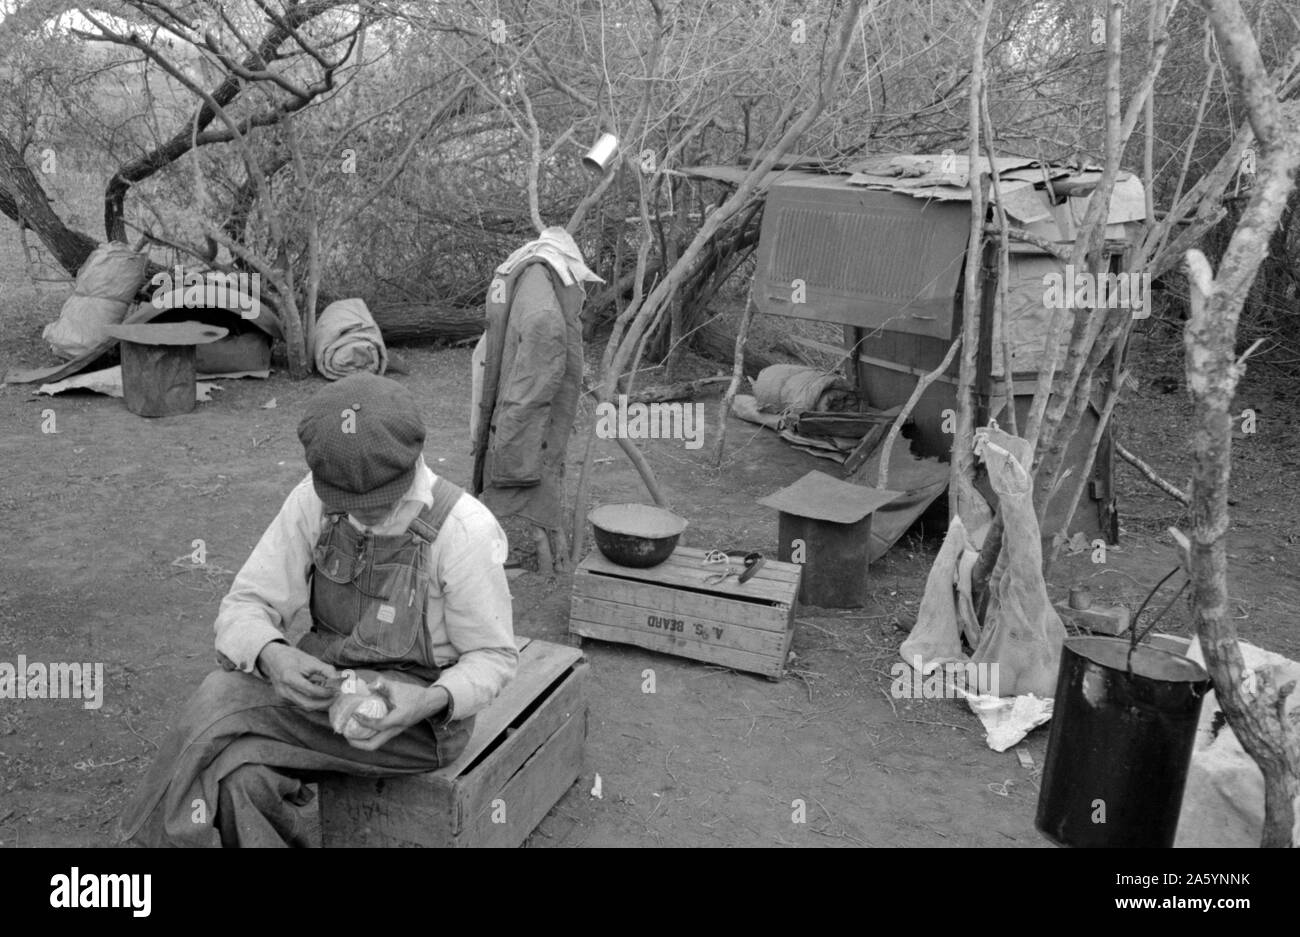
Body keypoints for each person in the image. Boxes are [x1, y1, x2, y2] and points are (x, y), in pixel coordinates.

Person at [118, 373, 516, 847]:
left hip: (417, 721)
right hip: (330, 689)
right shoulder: (313, 498)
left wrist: (426, 703)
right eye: (348, 504)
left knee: (222, 696)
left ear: (411, 465)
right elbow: (245, 604)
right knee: (239, 776)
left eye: (378, 502)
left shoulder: (465, 530)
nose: (363, 514)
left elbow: (494, 657)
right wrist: (272, 654)